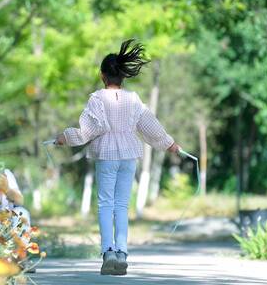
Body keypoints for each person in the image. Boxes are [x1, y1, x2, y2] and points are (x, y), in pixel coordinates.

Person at [55, 39, 179, 276]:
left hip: (108, 155)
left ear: (103, 76)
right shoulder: (133, 99)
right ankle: (122, 253)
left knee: (105, 204)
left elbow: (88, 131)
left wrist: (65, 137)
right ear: (122, 76)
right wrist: (169, 144)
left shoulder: (97, 98)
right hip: (129, 156)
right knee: (122, 205)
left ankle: (108, 252)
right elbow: (149, 125)